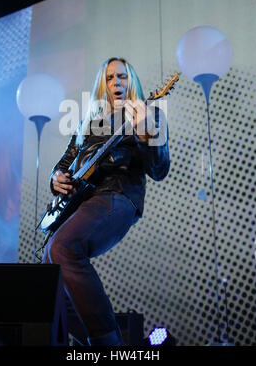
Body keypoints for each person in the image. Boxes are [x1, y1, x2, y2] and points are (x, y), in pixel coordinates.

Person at [42, 57, 170, 346]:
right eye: (110, 78)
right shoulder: (89, 123)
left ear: (131, 82)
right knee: (49, 263)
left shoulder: (148, 114)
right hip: (80, 202)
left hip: (118, 195)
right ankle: (86, 339)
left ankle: (108, 343)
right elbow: (65, 162)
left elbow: (160, 169)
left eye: (122, 77)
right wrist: (55, 178)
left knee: (63, 247)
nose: (117, 83)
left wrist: (147, 133)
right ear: (103, 85)